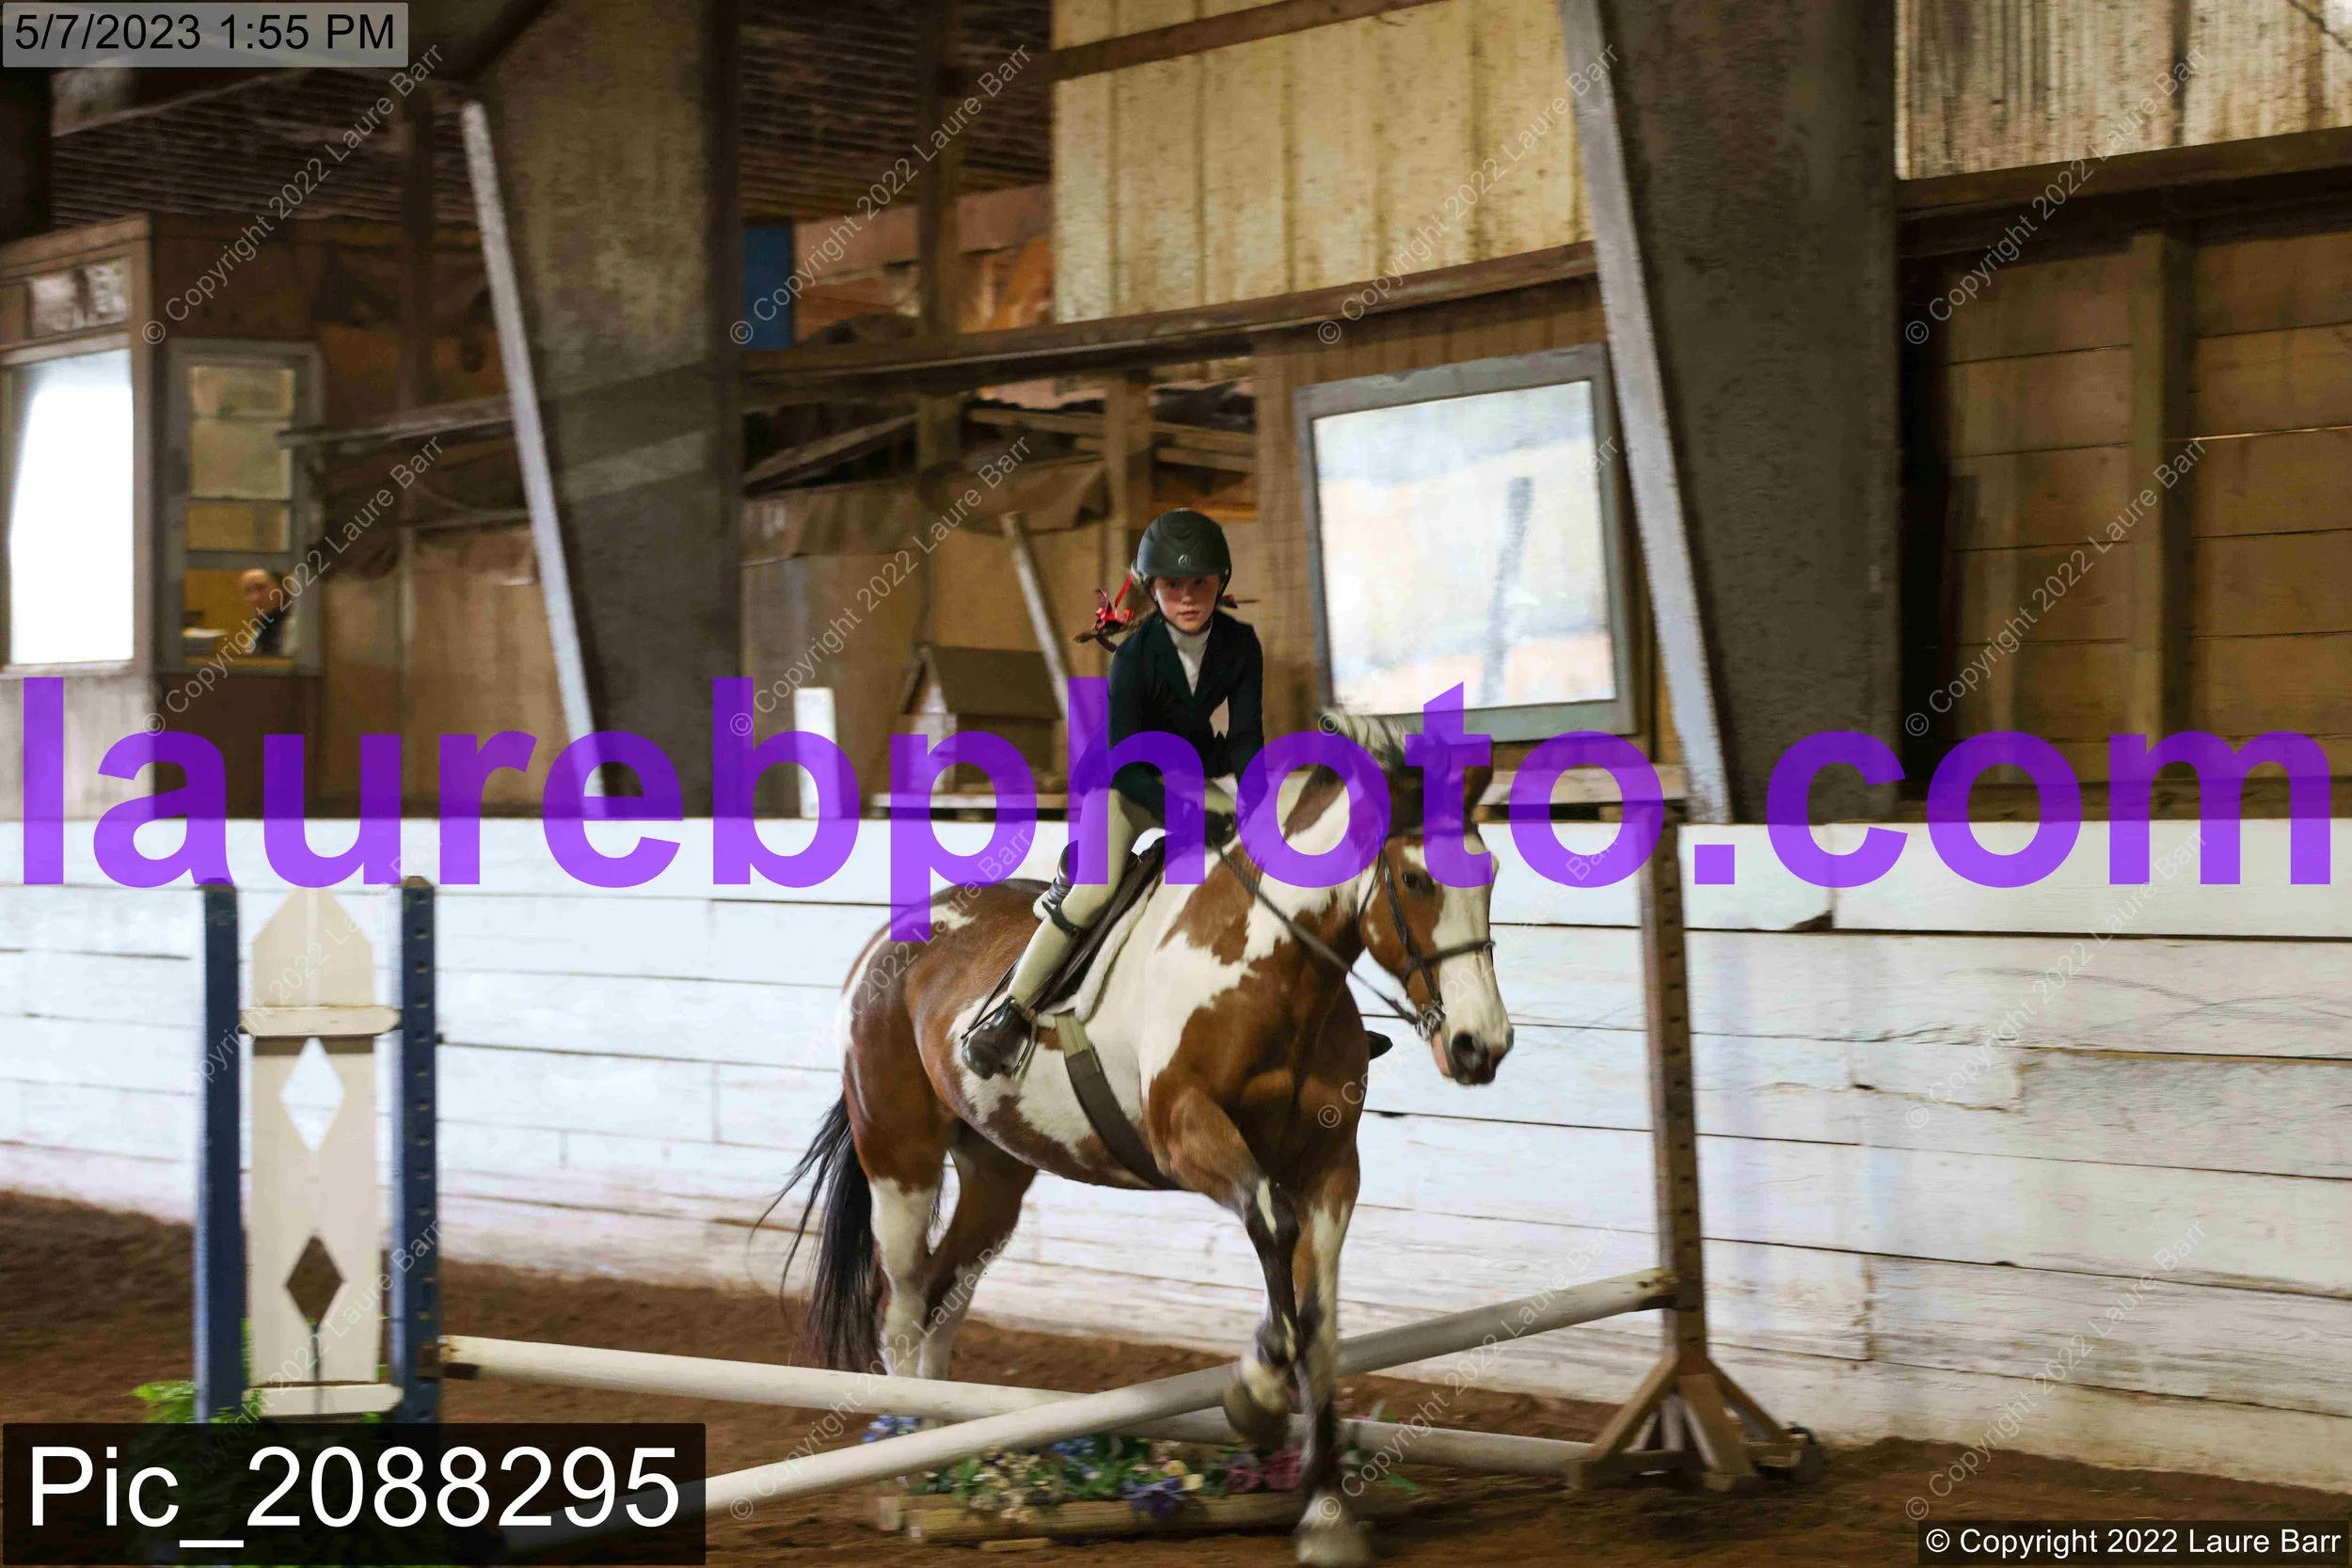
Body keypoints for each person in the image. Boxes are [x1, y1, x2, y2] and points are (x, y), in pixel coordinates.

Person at [961, 507, 1264, 1078]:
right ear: (1153, 587)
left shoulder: (1241, 644)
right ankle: (1010, 1012)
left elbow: (1247, 739)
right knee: (1095, 893)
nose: (1188, 598)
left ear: (1220, 582)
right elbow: (1127, 765)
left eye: (1200, 583)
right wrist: (1186, 814)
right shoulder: (1133, 655)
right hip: (1123, 779)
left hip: (1190, 771)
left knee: (1275, 858)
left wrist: (1258, 805)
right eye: (1173, 585)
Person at [239, 568, 291, 657]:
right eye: (247, 590)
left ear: (281, 590)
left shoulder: (300, 629)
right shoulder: (254, 640)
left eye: (260, 588)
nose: (254, 598)